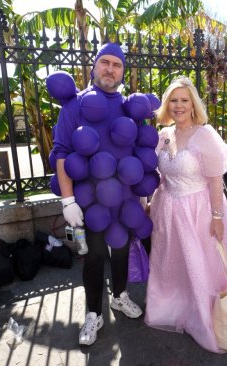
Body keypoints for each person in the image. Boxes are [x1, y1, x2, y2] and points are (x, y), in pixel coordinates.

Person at [53, 43, 144, 347]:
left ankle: (119, 296)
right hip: (88, 202)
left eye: (116, 65)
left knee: (120, 250)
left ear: (122, 71)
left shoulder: (131, 108)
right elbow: (62, 153)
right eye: (104, 62)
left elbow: (139, 151)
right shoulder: (75, 105)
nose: (109, 69)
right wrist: (67, 201)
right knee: (92, 257)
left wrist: (141, 196)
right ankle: (94, 313)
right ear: (93, 67)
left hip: (125, 199)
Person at [144, 76, 227, 353]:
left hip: (199, 211)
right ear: (167, 104)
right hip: (167, 210)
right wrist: (147, 203)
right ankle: (171, 306)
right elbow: (158, 175)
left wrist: (218, 217)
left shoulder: (204, 135)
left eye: (184, 100)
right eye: (173, 100)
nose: (179, 105)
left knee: (199, 264)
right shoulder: (164, 135)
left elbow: (216, 179)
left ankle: (203, 316)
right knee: (171, 264)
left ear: (193, 104)